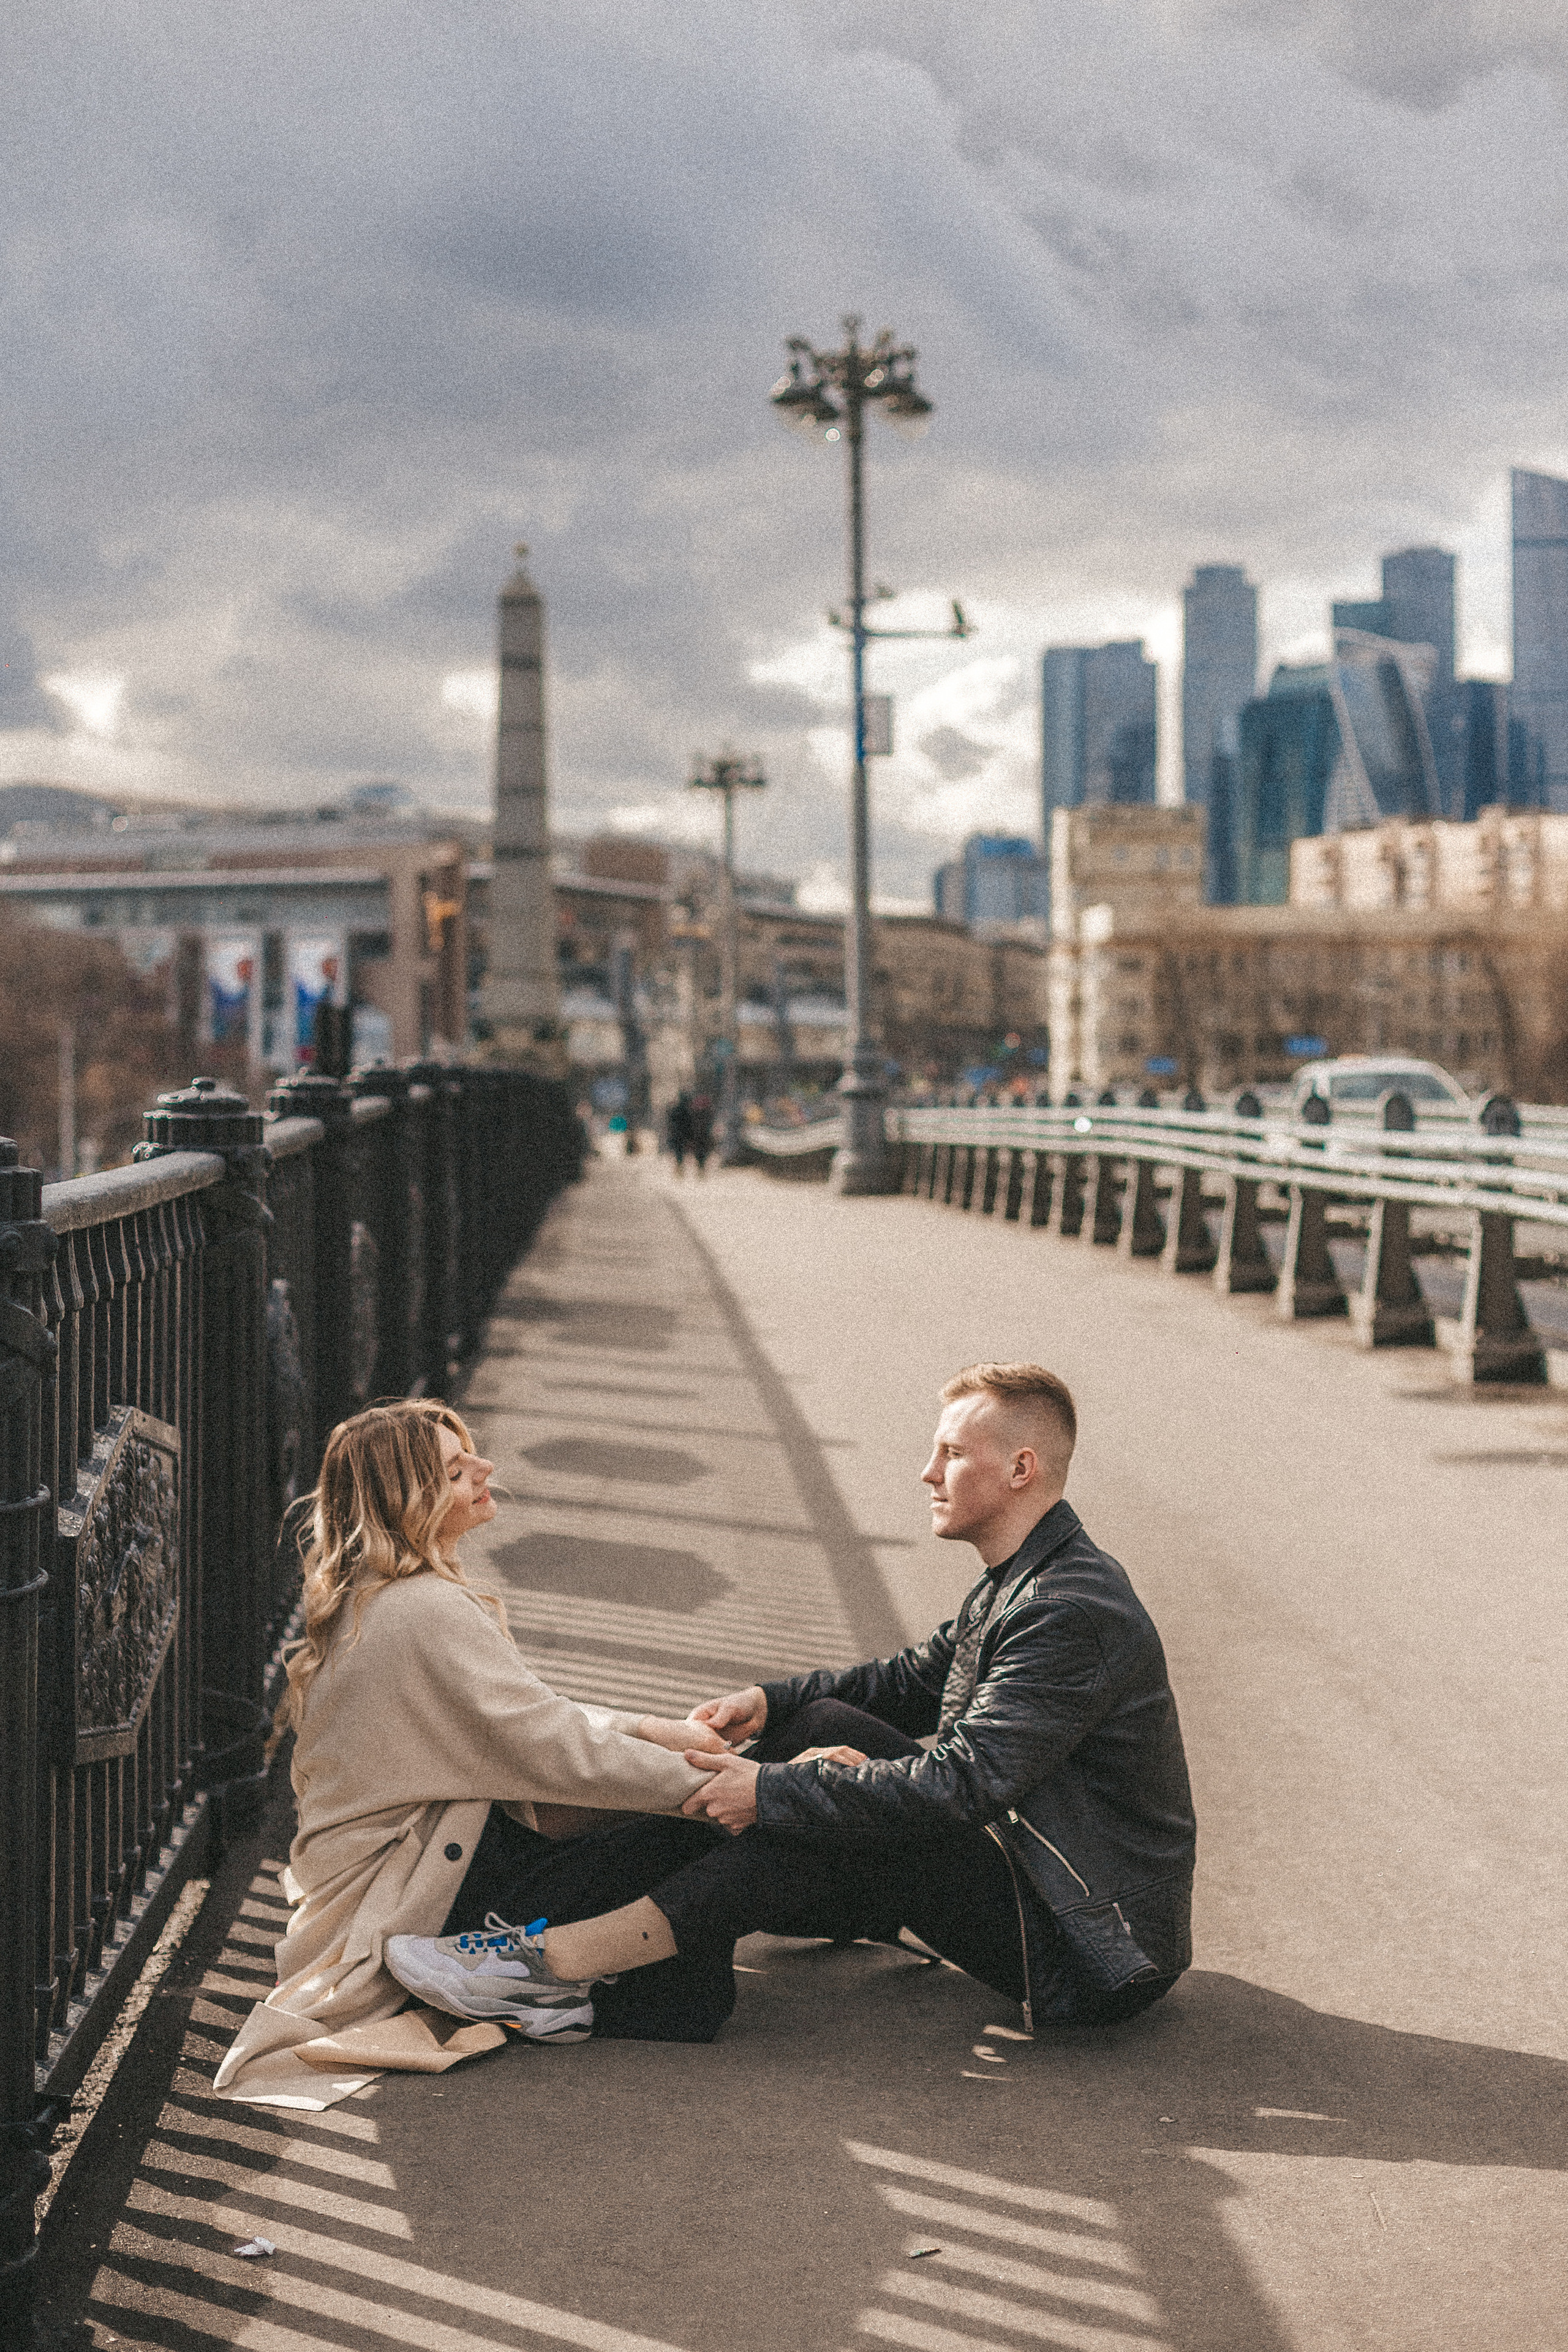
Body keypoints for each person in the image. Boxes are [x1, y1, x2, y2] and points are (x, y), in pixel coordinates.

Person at [385, 1363, 1197, 2042]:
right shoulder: (1029, 1582)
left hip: (1085, 1953)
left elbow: (962, 1785)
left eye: (951, 1454)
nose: (926, 1472)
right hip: (1032, 1880)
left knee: (814, 1806)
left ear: (1020, 1469)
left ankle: (549, 1965)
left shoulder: (1066, 1612)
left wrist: (777, 1788)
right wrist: (769, 1708)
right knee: (820, 1736)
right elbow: (908, 1682)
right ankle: (549, 1931)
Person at [214, 1400, 733, 2107]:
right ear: (411, 1500)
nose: (486, 1469)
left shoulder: (380, 1598)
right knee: (686, 1851)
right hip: (414, 1908)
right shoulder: (423, 1609)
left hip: (420, 1871)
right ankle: (539, 1987)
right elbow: (554, 1749)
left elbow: (523, 1721)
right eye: (458, 1470)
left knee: (681, 1840)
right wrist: (743, 1788)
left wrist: (653, 1731)